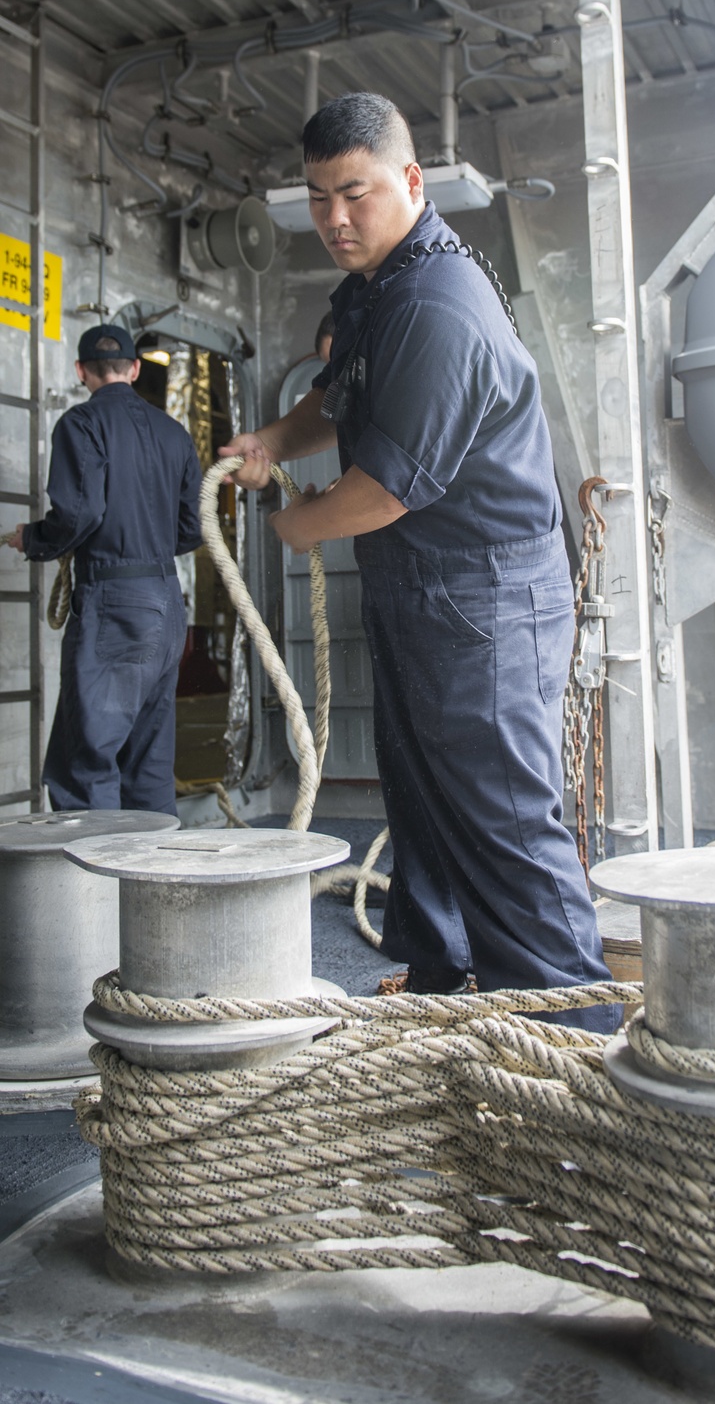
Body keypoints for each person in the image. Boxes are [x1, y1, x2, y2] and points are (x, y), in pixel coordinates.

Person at [221, 92, 618, 1032]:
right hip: (424, 582)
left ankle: (575, 1046)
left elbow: (388, 487)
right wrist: (273, 437)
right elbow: (341, 395)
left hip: (483, 592)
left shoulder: (439, 306)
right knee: (427, 805)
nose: (334, 219)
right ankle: (445, 1008)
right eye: (317, 198)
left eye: (353, 193)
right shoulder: (378, 286)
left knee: (504, 820)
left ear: (408, 180)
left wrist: (299, 527)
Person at [5, 325, 202, 814]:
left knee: (85, 762)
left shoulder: (81, 423)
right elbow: (194, 529)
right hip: (165, 604)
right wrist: (147, 546)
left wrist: (33, 539)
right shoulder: (174, 433)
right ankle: (152, 886)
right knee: (149, 765)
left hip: (113, 607)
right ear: (135, 369)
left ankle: (93, 892)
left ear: (80, 371)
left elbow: (79, 514)